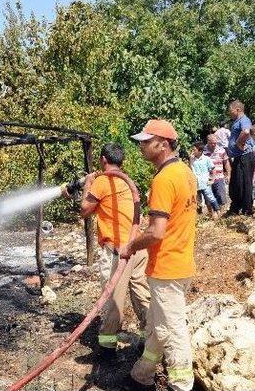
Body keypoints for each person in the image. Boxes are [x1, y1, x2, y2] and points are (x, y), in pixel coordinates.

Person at [120, 119, 197, 391]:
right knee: (157, 324)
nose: (141, 147)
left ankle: (182, 384)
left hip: (167, 268)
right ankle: (141, 375)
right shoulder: (185, 172)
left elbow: (156, 232)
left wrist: (130, 246)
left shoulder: (164, 179)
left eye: (145, 142)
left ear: (162, 144)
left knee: (173, 330)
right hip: (181, 263)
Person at [80, 143, 150, 354]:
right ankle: (150, 337)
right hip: (139, 245)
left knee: (113, 299)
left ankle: (106, 346)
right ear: (123, 162)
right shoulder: (127, 183)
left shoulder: (101, 182)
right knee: (141, 293)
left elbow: (84, 210)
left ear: (103, 160)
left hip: (119, 250)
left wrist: (87, 184)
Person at [225, 99, 255, 217]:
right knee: (236, 183)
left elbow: (246, 131)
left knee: (245, 182)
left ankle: (247, 209)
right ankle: (236, 207)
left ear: (237, 110)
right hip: (239, 156)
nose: (229, 113)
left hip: (245, 156)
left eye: (230, 111)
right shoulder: (237, 121)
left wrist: (239, 142)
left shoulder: (244, 120)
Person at [190, 141, 220, 219]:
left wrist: (212, 179)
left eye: (194, 150)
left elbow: (213, 169)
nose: (192, 152)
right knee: (198, 200)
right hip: (196, 183)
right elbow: (190, 169)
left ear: (200, 151)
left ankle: (217, 211)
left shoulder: (206, 159)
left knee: (210, 198)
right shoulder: (192, 160)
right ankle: (202, 215)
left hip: (205, 183)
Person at [204, 134, 231, 209]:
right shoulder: (203, 151)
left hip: (219, 177)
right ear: (207, 142)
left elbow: (226, 163)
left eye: (215, 143)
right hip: (207, 178)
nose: (213, 145)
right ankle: (212, 216)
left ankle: (221, 215)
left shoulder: (221, 150)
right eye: (211, 143)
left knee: (221, 198)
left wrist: (228, 175)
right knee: (209, 200)